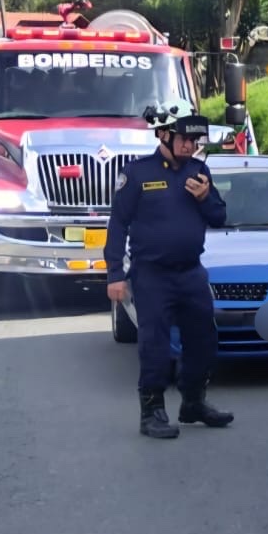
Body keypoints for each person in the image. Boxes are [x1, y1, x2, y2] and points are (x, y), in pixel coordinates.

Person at [106, 97, 234, 440]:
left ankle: (193, 402)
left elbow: (220, 217)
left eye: (195, 140)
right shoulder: (137, 174)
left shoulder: (199, 171)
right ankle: (152, 411)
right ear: (163, 134)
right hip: (151, 275)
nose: (191, 146)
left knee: (204, 340)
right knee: (156, 345)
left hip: (191, 272)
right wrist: (115, 274)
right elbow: (118, 223)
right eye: (184, 139)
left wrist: (206, 198)